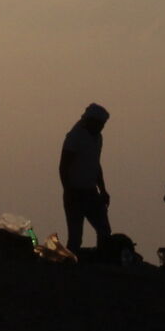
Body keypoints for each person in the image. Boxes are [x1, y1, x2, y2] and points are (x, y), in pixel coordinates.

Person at [59, 102, 112, 253]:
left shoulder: (97, 138)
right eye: (99, 124)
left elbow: (95, 165)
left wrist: (103, 190)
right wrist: (68, 191)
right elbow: (63, 166)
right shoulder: (75, 137)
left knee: (104, 230)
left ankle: (103, 259)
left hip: (91, 192)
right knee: (75, 237)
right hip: (75, 192)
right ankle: (70, 267)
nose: (101, 128)